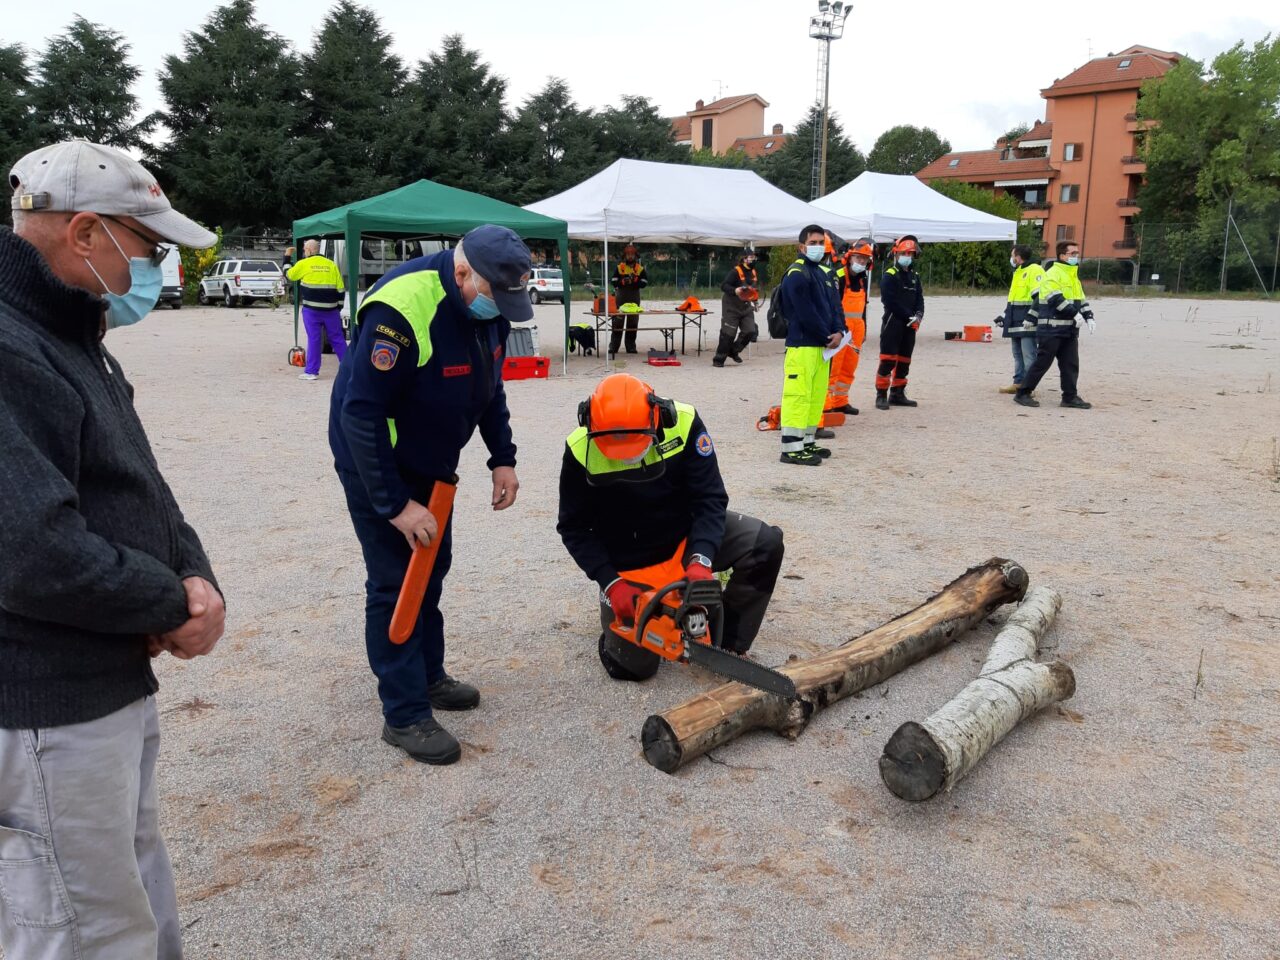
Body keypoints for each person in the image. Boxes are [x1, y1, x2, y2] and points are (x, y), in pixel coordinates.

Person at [1, 140, 225, 958]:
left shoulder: (71, 333)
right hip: (47, 702)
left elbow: (139, 484)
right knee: (80, 925)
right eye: (149, 245)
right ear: (86, 233)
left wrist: (194, 572)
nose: (157, 267)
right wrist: (171, 603)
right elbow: (31, 551)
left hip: (107, 680)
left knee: (131, 893)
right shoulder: (11, 348)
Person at [329, 225, 529, 765]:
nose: (500, 309)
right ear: (461, 273)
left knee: (432, 568)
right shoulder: (400, 309)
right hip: (378, 462)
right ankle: (404, 713)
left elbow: (489, 386)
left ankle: (427, 674)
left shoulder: (489, 303)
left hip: (433, 464)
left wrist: (502, 455)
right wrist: (395, 504)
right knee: (397, 582)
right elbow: (360, 414)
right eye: (495, 297)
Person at [557, 374, 785, 681]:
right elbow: (574, 527)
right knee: (633, 668)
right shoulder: (579, 449)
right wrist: (610, 582)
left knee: (763, 543)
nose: (627, 455)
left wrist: (701, 558)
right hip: (627, 563)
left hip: (684, 538)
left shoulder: (684, 424)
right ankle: (616, 630)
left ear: (657, 414)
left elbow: (710, 498)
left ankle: (729, 645)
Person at [775, 225, 844, 465]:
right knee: (798, 396)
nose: (818, 247)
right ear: (801, 246)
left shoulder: (822, 273)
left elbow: (834, 307)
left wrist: (840, 331)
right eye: (813, 243)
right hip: (803, 345)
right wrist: (827, 336)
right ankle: (791, 449)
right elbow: (805, 313)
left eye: (821, 242)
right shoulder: (797, 273)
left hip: (822, 348)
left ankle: (806, 441)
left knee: (814, 397)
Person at [1015, 240, 1094, 409]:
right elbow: (1055, 299)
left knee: (1070, 364)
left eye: (1077, 253)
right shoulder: (1052, 274)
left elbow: (1081, 300)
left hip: (1069, 329)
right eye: (1073, 253)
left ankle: (1069, 397)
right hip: (1051, 328)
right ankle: (1023, 393)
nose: (1076, 256)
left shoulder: (1073, 276)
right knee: (1042, 362)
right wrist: (1074, 314)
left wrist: (1089, 316)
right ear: (1062, 255)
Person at [824, 237, 875, 423]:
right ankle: (826, 404)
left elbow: (863, 307)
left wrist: (864, 328)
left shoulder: (863, 279)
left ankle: (841, 401)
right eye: (858, 258)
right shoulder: (838, 276)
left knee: (849, 367)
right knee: (833, 368)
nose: (861, 262)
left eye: (864, 259)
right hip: (840, 329)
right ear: (850, 257)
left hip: (856, 329)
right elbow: (831, 307)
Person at [875, 235, 925, 410]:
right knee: (888, 360)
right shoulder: (890, 275)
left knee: (904, 360)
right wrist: (908, 315)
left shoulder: (914, 276)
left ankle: (897, 393)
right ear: (896, 254)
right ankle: (881, 395)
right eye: (904, 253)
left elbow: (919, 298)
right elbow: (889, 301)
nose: (907, 257)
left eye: (910, 254)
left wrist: (919, 315)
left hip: (910, 324)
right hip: (893, 322)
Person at [287, 238, 347, 380]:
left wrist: (287, 257)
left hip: (312, 310)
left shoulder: (304, 263)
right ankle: (350, 369)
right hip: (331, 310)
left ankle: (312, 372)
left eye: (304, 250)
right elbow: (341, 289)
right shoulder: (331, 265)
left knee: (314, 339)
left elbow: (289, 274)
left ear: (308, 250)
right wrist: (338, 307)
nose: (304, 252)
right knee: (337, 338)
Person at [998, 244, 1043, 394]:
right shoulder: (1018, 272)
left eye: (1012, 256)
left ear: (1017, 257)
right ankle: (1018, 383)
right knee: (1017, 354)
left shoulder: (1035, 270)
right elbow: (1014, 298)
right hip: (1015, 319)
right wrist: (1004, 316)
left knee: (1029, 355)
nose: (1011, 259)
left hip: (1027, 321)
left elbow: (1039, 296)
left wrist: (1031, 316)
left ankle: (1029, 387)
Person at [713, 247, 760, 367]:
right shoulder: (735, 271)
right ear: (744, 259)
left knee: (750, 331)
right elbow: (724, 286)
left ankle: (733, 351)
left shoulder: (754, 272)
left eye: (754, 257)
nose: (754, 259)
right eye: (751, 257)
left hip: (746, 306)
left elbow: (752, 290)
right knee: (728, 334)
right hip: (731, 306)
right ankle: (719, 359)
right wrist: (735, 290)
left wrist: (755, 302)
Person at [608, 244, 647, 357]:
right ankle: (613, 347)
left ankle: (631, 347)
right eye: (628, 254)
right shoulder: (619, 268)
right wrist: (622, 282)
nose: (630, 256)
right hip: (621, 299)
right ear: (625, 256)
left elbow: (645, 283)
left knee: (633, 324)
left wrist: (636, 281)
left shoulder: (640, 269)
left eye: (632, 254)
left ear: (635, 256)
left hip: (634, 299)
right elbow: (613, 281)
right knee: (617, 323)